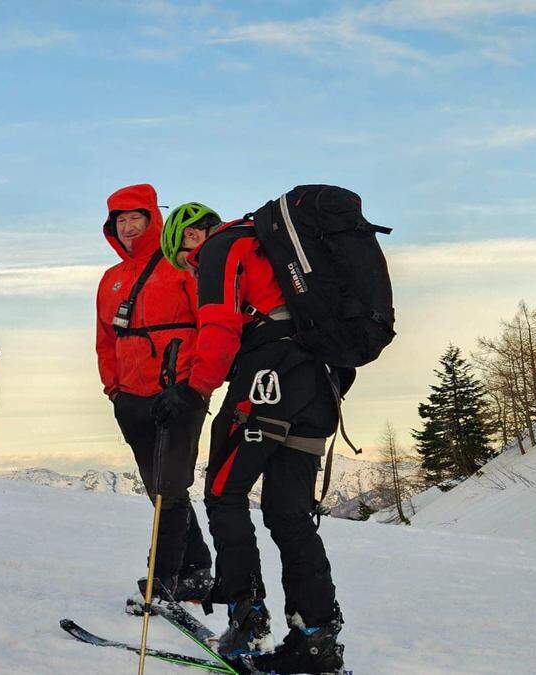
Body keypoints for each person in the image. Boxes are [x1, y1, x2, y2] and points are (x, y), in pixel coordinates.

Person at [154, 202, 346, 674]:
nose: (188, 268)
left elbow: (218, 325)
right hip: (318, 382)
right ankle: (316, 638)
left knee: (223, 493)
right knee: (288, 513)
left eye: (183, 258)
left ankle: (247, 618)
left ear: (191, 238)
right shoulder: (265, 247)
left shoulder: (220, 249)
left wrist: (193, 388)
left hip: (269, 375)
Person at [95, 184, 213, 602]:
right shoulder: (111, 279)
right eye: (120, 221)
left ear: (152, 219)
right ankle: (196, 568)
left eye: (134, 218)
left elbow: (207, 324)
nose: (127, 228)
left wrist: (192, 384)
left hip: (178, 391)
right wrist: (114, 389)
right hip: (130, 397)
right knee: (157, 486)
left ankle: (161, 582)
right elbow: (105, 339)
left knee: (170, 486)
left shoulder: (180, 265)